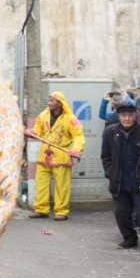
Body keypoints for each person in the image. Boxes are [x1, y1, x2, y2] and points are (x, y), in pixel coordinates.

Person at [101, 95, 140, 251]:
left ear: (135, 116)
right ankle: (129, 239)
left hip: (139, 181)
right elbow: (105, 156)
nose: (126, 118)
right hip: (119, 180)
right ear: (118, 116)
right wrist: (110, 172)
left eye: (130, 115)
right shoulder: (110, 132)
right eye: (123, 115)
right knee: (122, 213)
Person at [27, 91, 85, 220]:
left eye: (52, 100)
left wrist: (76, 149)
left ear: (60, 103)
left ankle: (61, 211)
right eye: (49, 100)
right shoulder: (43, 115)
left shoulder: (70, 119)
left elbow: (78, 136)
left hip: (61, 155)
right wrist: (31, 132)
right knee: (40, 183)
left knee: (62, 185)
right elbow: (38, 130)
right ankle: (41, 209)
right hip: (44, 154)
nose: (49, 103)